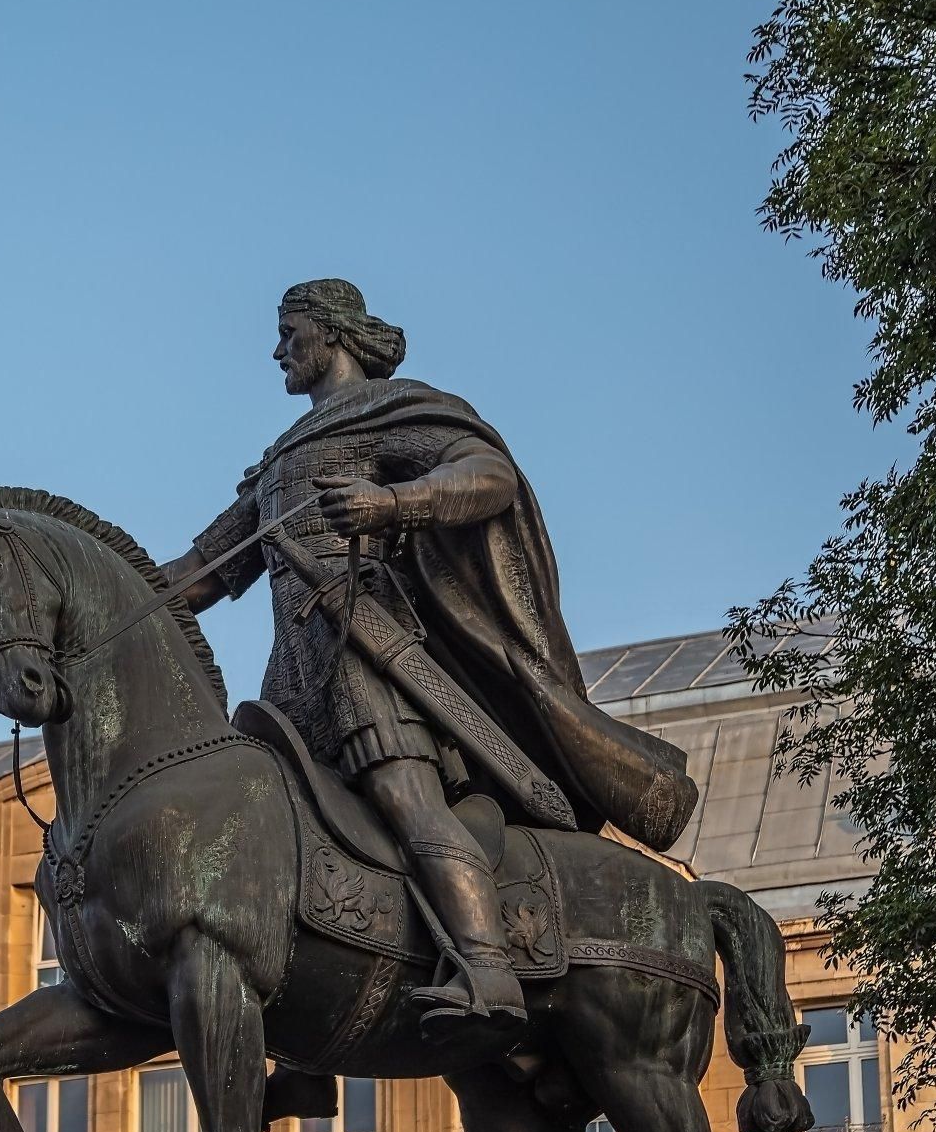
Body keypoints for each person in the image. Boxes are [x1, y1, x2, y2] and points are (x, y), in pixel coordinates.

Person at [163, 279, 697, 1055]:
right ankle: (302, 1038)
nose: (277, 349)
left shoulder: (392, 410)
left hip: (370, 654)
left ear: (332, 333)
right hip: (293, 680)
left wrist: (392, 504)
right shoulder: (280, 460)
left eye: (289, 331)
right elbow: (200, 574)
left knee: (404, 795)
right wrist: (90, 594)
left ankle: (486, 966)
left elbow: (489, 475)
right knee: (271, 833)